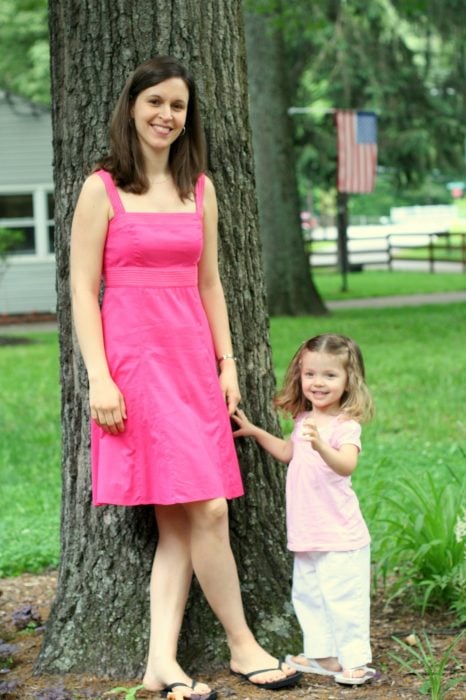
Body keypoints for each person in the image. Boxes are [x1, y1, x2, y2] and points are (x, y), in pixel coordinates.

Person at [69, 56, 301, 700]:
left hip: (193, 365)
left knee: (182, 521)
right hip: (135, 371)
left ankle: (159, 665)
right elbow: (83, 292)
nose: (166, 115)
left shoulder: (199, 187)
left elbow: (211, 284)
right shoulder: (102, 189)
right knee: (208, 508)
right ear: (131, 107)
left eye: (178, 106)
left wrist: (227, 364)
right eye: (155, 102)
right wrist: (100, 378)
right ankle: (243, 645)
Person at [233, 333, 377, 687]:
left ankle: (356, 661)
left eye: (330, 375)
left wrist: (320, 445)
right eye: (310, 374)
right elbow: (287, 453)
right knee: (309, 595)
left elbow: (346, 465)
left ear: (348, 382)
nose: (318, 382)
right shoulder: (303, 419)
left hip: (341, 534)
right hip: (308, 531)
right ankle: (323, 655)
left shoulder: (345, 425)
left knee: (344, 599)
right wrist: (255, 431)